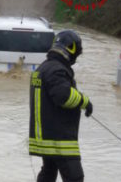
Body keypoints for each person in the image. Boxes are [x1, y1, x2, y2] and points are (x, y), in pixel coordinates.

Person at [29, 30, 93, 182]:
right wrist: (85, 101)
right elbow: (63, 96)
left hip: (45, 137)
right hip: (60, 138)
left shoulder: (43, 68)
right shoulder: (57, 69)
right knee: (75, 177)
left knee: (48, 174)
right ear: (70, 49)